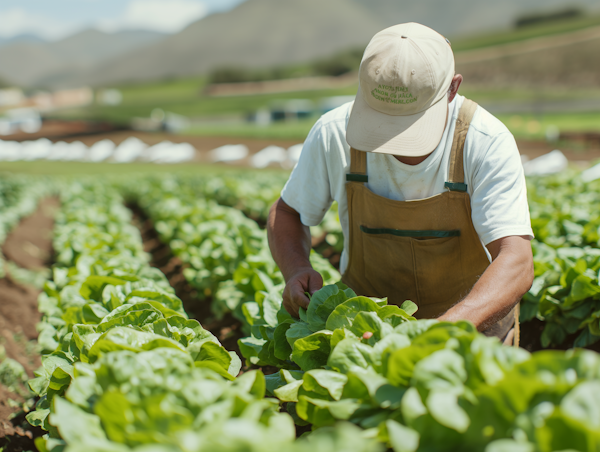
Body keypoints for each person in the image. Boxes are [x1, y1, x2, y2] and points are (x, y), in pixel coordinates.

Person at [267, 23, 534, 344]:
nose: (393, 139)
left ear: (452, 88)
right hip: (366, 335)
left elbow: (516, 260)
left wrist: (447, 329)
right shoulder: (334, 132)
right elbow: (288, 212)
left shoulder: (484, 140)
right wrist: (296, 268)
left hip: (472, 334)